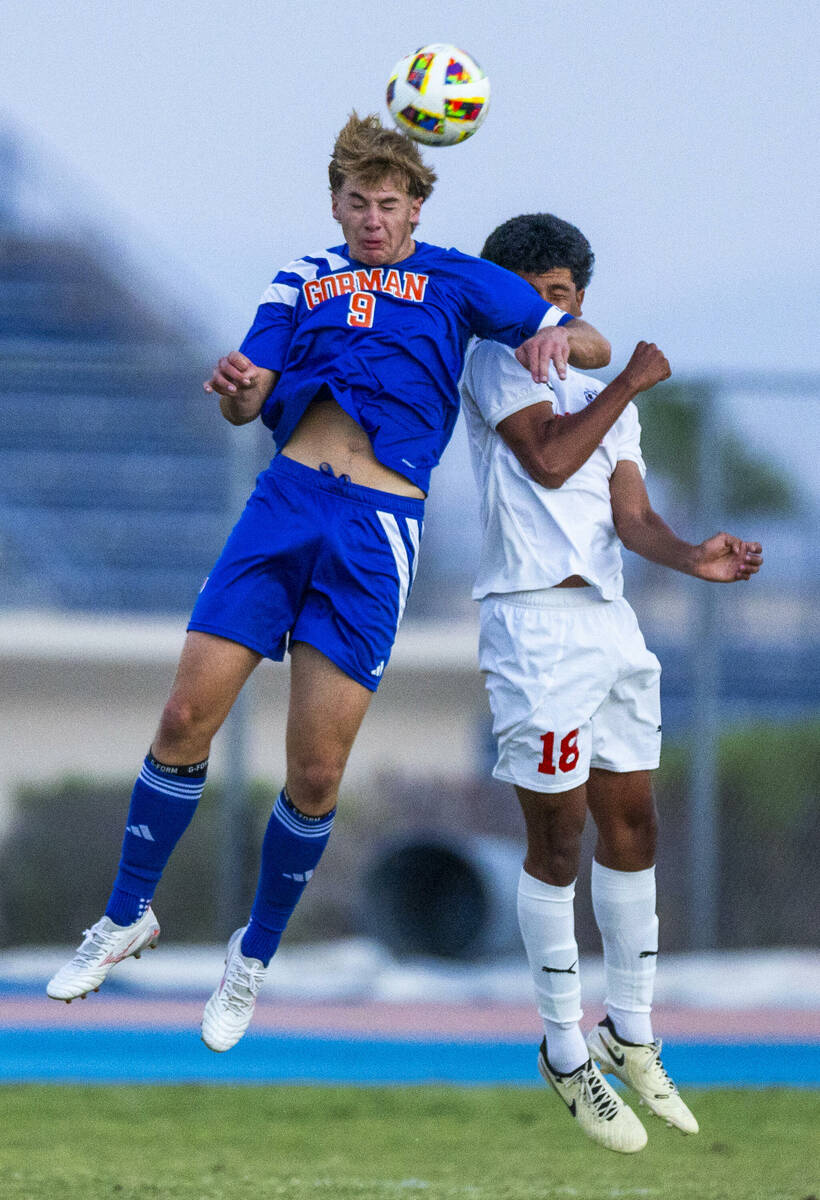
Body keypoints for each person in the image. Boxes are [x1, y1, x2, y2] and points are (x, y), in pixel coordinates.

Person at [46, 118, 612, 1052]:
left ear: (417, 206)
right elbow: (245, 396)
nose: (373, 219)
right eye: (357, 202)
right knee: (185, 718)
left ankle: (251, 959)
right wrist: (233, 386)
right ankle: (123, 918)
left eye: (390, 204)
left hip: (376, 533)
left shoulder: (459, 279)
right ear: (336, 202)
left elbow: (579, 336)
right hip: (285, 507)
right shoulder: (302, 278)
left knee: (315, 771)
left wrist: (564, 346)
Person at [460, 212, 763, 1154]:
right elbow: (547, 461)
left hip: (611, 624)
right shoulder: (496, 363)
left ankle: (629, 1031)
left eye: (561, 292)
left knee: (635, 824)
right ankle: (561, 1047)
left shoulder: (606, 392)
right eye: (531, 293)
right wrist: (629, 375)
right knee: (558, 836)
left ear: (579, 296)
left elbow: (631, 522)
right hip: (534, 627)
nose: (550, 309)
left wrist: (691, 556)